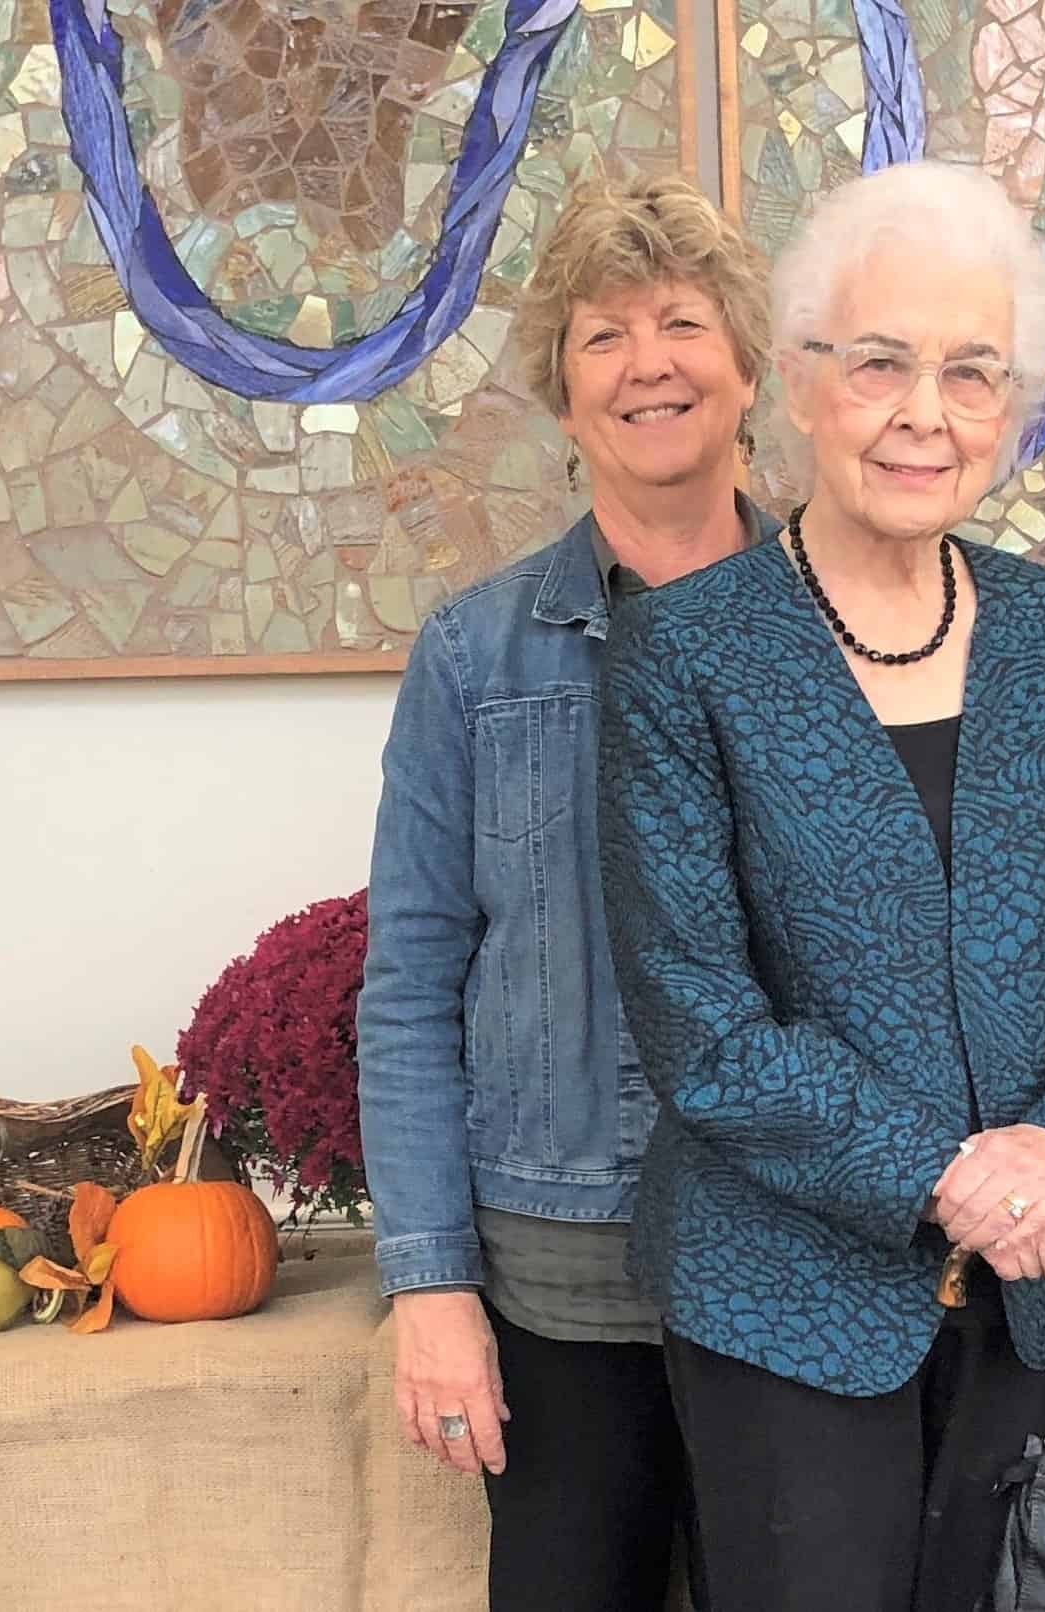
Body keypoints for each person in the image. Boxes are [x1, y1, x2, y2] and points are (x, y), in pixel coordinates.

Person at [595, 159, 1045, 1612]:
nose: (927, 412)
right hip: (782, 1296)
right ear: (796, 384)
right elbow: (702, 1028)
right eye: (880, 363)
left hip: (1041, 1288)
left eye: (973, 373)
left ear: (1017, 407)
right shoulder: (685, 655)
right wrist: (949, 1181)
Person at [354, 170, 776, 1612]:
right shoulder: (474, 660)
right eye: (605, 335)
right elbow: (409, 988)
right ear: (563, 387)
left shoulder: (861, 629)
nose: (648, 363)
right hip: (559, 1284)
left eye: (682, 323)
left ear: (745, 364)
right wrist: (430, 1286)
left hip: (803, 1269)